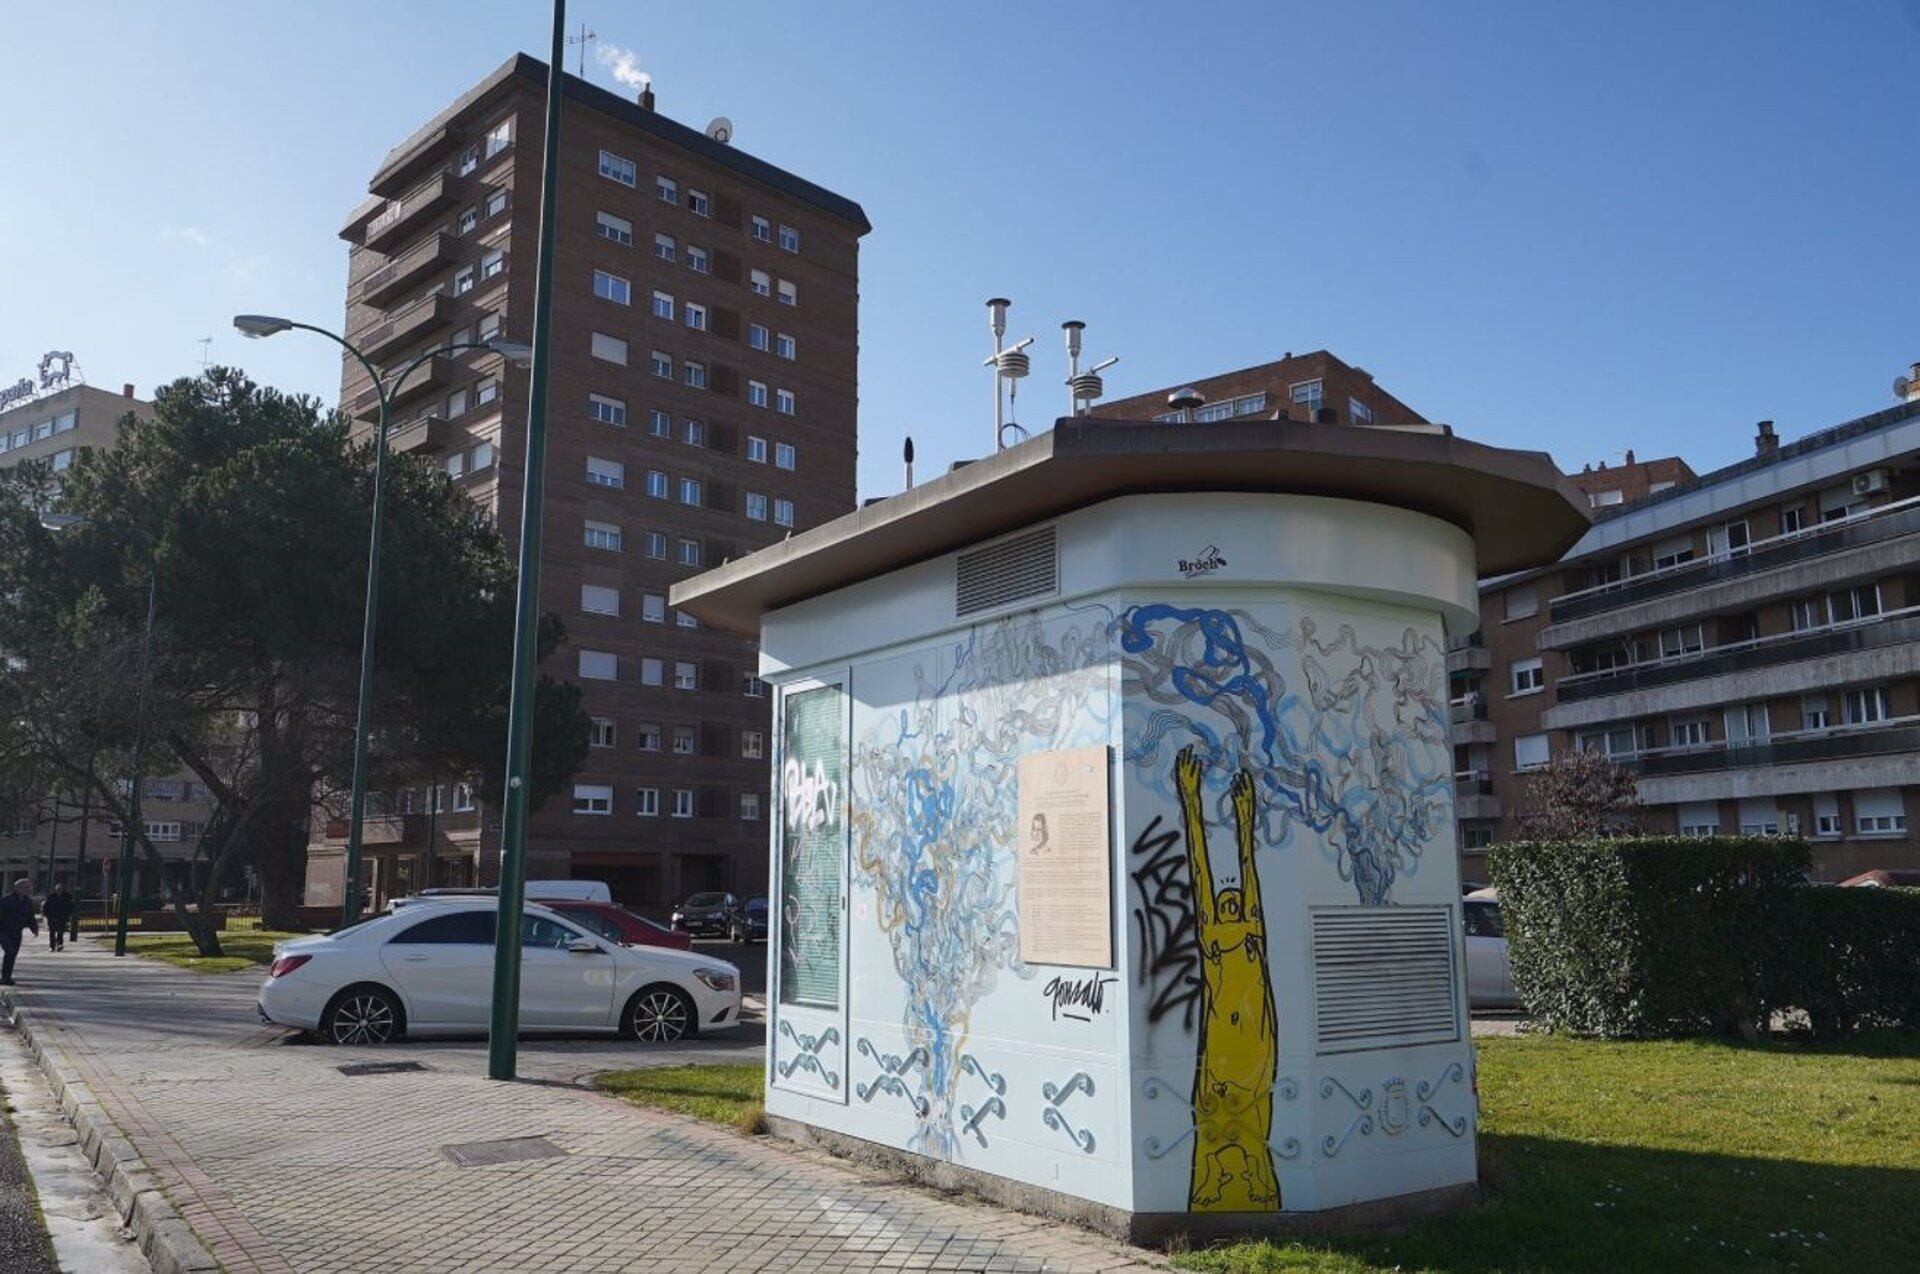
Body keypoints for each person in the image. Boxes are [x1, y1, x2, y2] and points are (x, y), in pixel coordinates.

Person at [0, 879, 39, 986]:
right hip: (4, 931)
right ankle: (5, 977)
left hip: (17, 932)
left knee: (13, 955)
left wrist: (34, 929)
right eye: (26, 887)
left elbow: (30, 917)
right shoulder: (6, 900)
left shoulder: (28, 902)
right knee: (10, 952)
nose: (28, 890)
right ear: (18, 888)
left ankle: (7, 977)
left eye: (29, 887)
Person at [42, 884, 73, 952]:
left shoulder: (67, 896)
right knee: (52, 932)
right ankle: (52, 946)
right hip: (52, 916)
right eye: (58, 890)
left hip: (62, 917)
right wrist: (46, 915)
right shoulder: (51, 896)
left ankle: (60, 944)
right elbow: (46, 906)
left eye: (60, 890)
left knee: (60, 932)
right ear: (55, 890)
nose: (59, 891)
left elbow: (70, 906)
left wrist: (68, 915)